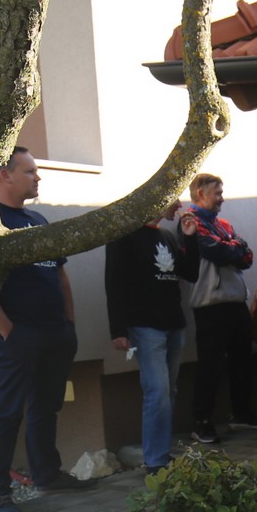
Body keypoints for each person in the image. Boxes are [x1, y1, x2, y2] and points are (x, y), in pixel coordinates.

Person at [0, 147, 94, 512]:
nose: (37, 177)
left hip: (55, 333)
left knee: (46, 407)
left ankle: (47, 476)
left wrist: (68, 324)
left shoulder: (38, 220)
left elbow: (59, 274)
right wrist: (7, 331)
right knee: (7, 412)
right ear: (5, 175)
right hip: (17, 337)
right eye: (29, 171)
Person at [104, 202, 196, 475]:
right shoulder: (124, 236)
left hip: (174, 324)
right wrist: (118, 330)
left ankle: (161, 453)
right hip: (144, 327)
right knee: (157, 391)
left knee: (168, 391)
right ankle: (155, 461)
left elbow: (190, 273)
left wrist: (190, 238)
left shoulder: (166, 235)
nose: (178, 205)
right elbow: (113, 283)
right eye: (172, 198)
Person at [182, 173, 257, 444]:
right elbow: (215, 252)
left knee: (243, 360)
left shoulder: (223, 224)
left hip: (235, 302)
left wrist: (231, 247)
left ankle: (242, 413)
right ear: (200, 193)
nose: (222, 198)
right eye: (217, 193)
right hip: (210, 305)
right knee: (210, 364)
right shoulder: (191, 221)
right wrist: (232, 247)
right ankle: (201, 421)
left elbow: (247, 256)